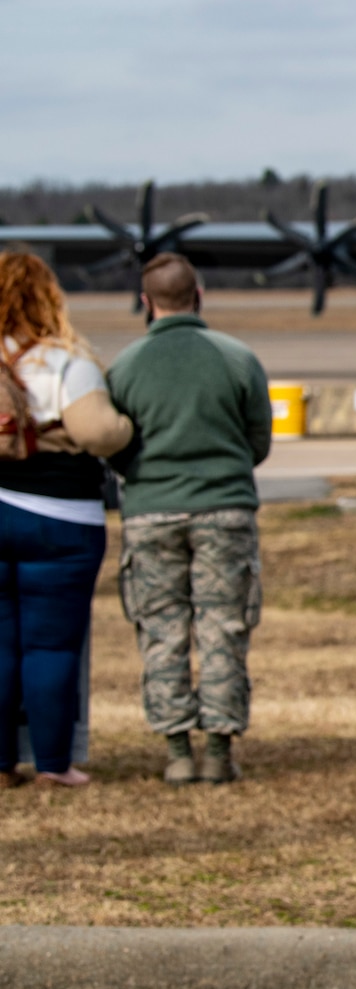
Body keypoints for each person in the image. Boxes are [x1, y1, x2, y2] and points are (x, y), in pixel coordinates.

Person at [106, 253, 272, 786]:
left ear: (145, 300)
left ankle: (177, 749)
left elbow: (114, 443)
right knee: (223, 626)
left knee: (162, 630)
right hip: (224, 509)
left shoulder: (126, 365)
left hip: (151, 512)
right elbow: (258, 441)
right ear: (198, 296)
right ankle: (219, 751)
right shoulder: (237, 358)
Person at [0, 251, 134, 788]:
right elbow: (99, 434)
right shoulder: (67, 363)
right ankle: (54, 763)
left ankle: (3, 764)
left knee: (2, 643)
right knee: (51, 645)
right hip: (60, 520)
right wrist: (126, 425)